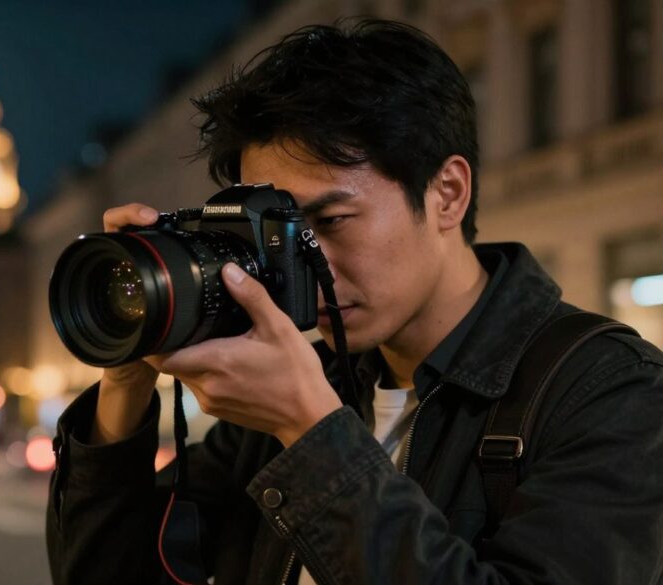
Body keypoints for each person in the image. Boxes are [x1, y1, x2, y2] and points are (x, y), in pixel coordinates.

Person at [45, 19, 663, 585]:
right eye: (279, 235)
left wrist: (310, 431)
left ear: (447, 193)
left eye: (332, 221)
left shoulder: (610, 391)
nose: (305, 267)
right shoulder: (310, 385)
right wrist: (126, 375)